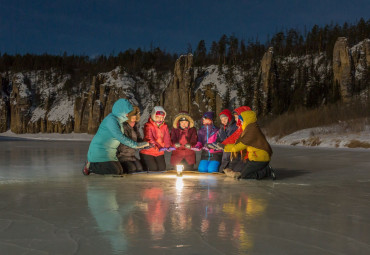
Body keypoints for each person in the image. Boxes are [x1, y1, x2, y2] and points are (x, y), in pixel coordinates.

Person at [83, 99, 148, 175]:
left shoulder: (119, 121)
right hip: (100, 152)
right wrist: (137, 145)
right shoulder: (111, 120)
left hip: (110, 153)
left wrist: (143, 145)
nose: (127, 115)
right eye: (126, 112)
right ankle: (90, 166)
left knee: (120, 171)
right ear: (120, 111)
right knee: (115, 171)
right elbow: (120, 137)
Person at [221, 110, 276, 180]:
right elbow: (237, 143)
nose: (240, 122)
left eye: (241, 121)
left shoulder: (252, 131)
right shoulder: (249, 129)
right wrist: (224, 146)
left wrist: (224, 147)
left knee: (245, 176)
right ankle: (263, 168)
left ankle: (266, 171)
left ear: (246, 120)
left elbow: (238, 147)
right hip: (254, 157)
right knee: (242, 172)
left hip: (259, 158)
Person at [140, 106, 172, 171]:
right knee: (153, 169)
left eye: (162, 117)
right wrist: (159, 147)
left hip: (159, 152)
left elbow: (167, 137)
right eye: (158, 117)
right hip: (148, 152)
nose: (160, 119)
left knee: (162, 169)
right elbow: (150, 138)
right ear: (153, 116)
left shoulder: (164, 126)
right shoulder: (148, 125)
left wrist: (168, 146)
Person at [116, 106, 144, 173]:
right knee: (132, 169)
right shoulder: (124, 127)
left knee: (140, 168)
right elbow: (125, 142)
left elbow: (139, 138)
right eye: (132, 118)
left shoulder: (135, 127)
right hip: (122, 155)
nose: (134, 120)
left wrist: (144, 144)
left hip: (132, 155)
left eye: (135, 118)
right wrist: (137, 145)